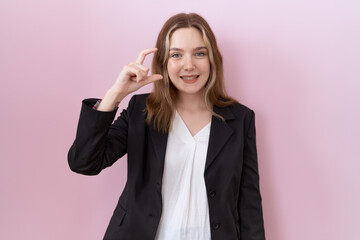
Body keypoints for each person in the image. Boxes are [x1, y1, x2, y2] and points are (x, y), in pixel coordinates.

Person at [68, 12, 265, 240]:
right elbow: (83, 163)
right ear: (164, 62)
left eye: (199, 53)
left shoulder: (240, 119)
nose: (188, 65)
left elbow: (249, 203)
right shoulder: (141, 111)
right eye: (176, 55)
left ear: (212, 59)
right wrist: (115, 95)